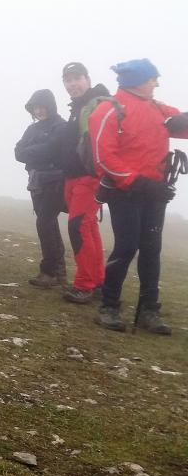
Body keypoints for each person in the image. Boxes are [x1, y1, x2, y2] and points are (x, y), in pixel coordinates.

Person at [89, 59, 186, 334]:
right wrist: (139, 182)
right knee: (127, 246)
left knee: (152, 250)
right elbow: (104, 158)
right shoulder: (109, 110)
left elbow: (182, 126)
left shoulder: (157, 108)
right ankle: (108, 307)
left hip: (156, 191)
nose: (157, 83)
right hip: (126, 192)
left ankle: (148, 310)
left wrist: (184, 118)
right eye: (152, 78)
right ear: (137, 81)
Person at [55, 62, 110, 304]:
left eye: (76, 78)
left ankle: (85, 284)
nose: (72, 84)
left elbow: (95, 143)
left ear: (87, 79)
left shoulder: (95, 104)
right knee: (87, 228)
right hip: (76, 176)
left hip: (88, 177)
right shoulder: (80, 106)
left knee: (79, 227)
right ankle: (97, 281)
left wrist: (95, 173)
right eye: (67, 80)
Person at [13, 89, 67, 289]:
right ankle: (57, 272)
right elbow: (18, 152)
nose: (39, 111)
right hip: (37, 181)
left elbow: (51, 149)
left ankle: (50, 271)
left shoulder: (61, 127)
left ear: (50, 107)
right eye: (36, 108)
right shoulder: (32, 128)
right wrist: (36, 152)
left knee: (45, 223)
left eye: (42, 107)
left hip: (55, 181)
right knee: (47, 224)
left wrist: (32, 152)